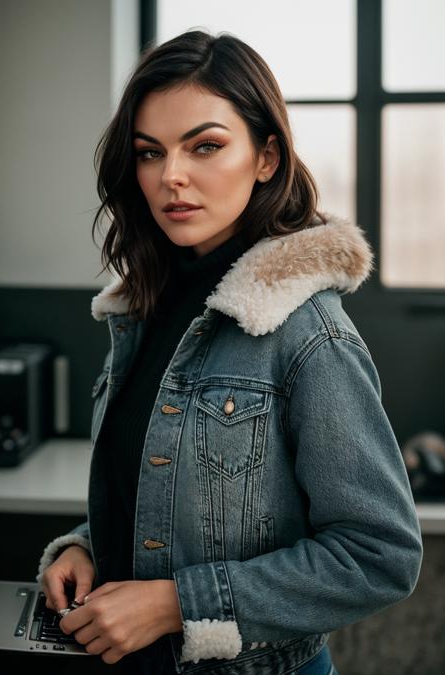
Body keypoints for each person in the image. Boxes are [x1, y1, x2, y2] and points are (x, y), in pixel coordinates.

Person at [36, 29, 423, 675]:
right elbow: (175, 496)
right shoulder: (143, 311)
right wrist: (87, 545)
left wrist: (176, 603)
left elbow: (379, 554)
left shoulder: (307, 333)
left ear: (266, 157)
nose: (173, 176)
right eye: (149, 153)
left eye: (206, 146)